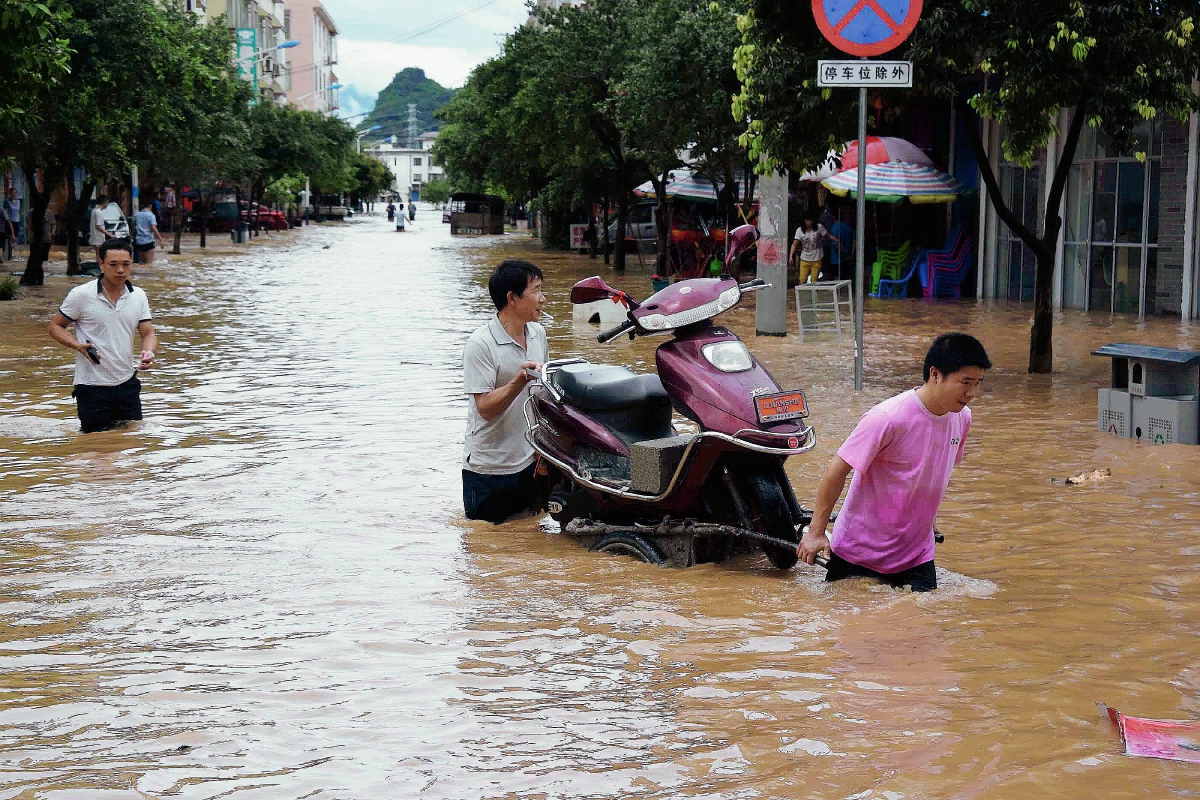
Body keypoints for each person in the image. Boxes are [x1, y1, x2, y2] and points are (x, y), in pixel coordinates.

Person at [797, 333, 992, 592]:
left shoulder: (962, 417)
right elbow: (837, 470)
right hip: (859, 553)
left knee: (923, 626)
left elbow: (933, 471)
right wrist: (815, 533)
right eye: (966, 382)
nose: (972, 393)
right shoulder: (887, 418)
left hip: (916, 555)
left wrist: (928, 519)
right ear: (935, 374)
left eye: (978, 383)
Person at [462, 259, 548, 523]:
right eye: (536, 291)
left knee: (530, 541)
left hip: (529, 462)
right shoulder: (481, 344)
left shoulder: (538, 334)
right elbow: (485, 408)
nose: (542, 299)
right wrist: (519, 379)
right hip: (489, 470)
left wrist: (544, 451)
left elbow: (540, 396)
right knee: (486, 548)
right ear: (512, 298)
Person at [48, 239, 157, 433]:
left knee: (132, 446)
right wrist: (77, 346)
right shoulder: (81, 295)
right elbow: (56, 326)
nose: (120, 270)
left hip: (127, 384)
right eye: (113, 265)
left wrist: (149, 352)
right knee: (96, 448)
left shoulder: (138, 295)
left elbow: (147, 332)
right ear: (101, 264)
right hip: (92, 387)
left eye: (126, 264)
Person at [788, 212, 839, 284]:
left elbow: (828, 235)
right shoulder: (799, 230)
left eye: (811, 220)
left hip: (817, 258)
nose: (809, 222)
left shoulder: (819, 227)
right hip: (805, 258)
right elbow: (794, 244)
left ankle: (813, 294)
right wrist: (791, 256)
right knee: (802, 280)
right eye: (807, 220)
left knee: (814, 281)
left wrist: (837, 241)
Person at [132, 200, 163, 264]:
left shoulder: (137, 215)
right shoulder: (151, 215)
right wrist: (160, 238)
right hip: (148, 241)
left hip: (139, 241)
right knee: (148, 264)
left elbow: (133, 225)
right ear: (150, 206)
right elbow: (154, 228)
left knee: (142, 263)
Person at [90, 195, 111, 261]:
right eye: (107, 203)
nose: (107, 205)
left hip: (95, 236)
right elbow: (99, 226)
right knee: (100, 257)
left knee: (98, 256)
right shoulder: (99, 212)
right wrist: (109, 234)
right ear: (105, 203)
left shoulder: (94, 210)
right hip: (98, 236)